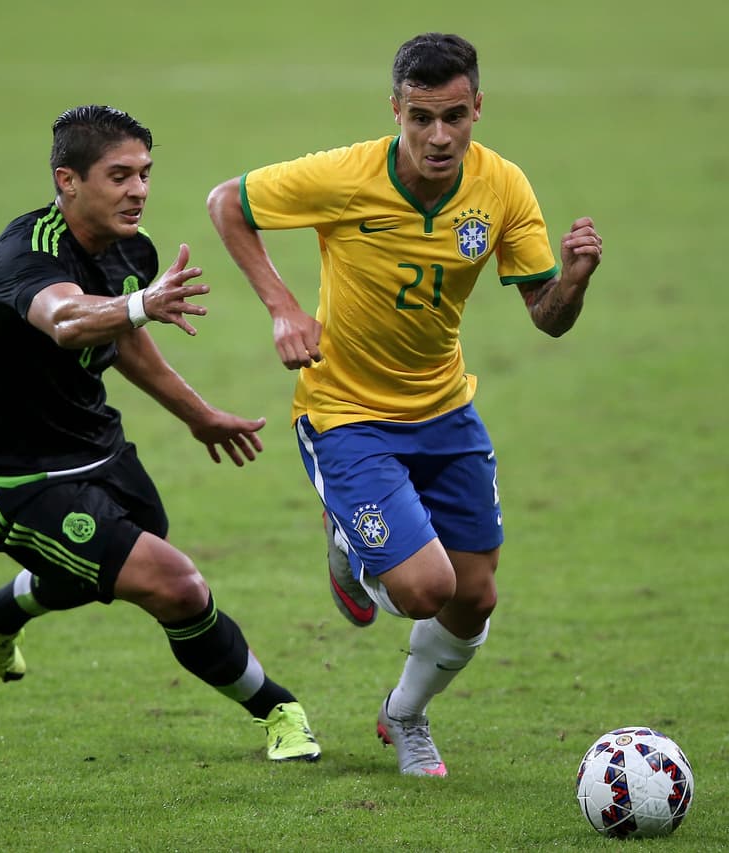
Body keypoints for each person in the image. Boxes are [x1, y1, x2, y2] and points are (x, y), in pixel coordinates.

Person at [206, 33, 601, 777]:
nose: (439, 136)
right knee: (425, 588)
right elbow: (226, 202)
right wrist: (283, 307)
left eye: (454, 115)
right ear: (396, 109)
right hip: (345, 411)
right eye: (421, 117)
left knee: (474, 596)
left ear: (478, 106)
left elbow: (546, 315)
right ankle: (349, 546)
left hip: (446, 410)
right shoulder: (347, 175)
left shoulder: (504, 188)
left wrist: (575, 279)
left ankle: (404, 714)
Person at [0, 104, 320, 763]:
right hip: (17, 481)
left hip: (99, 451)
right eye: (119, 176)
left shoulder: (130, 250)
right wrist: (143, 302)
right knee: (174, 584)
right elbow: (65, 318)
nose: (139, 190)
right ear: (68, 181)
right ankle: (279, 709)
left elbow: (125, 344)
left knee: (111, 568)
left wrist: (197, 413)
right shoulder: (22, 256)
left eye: (145, 173)